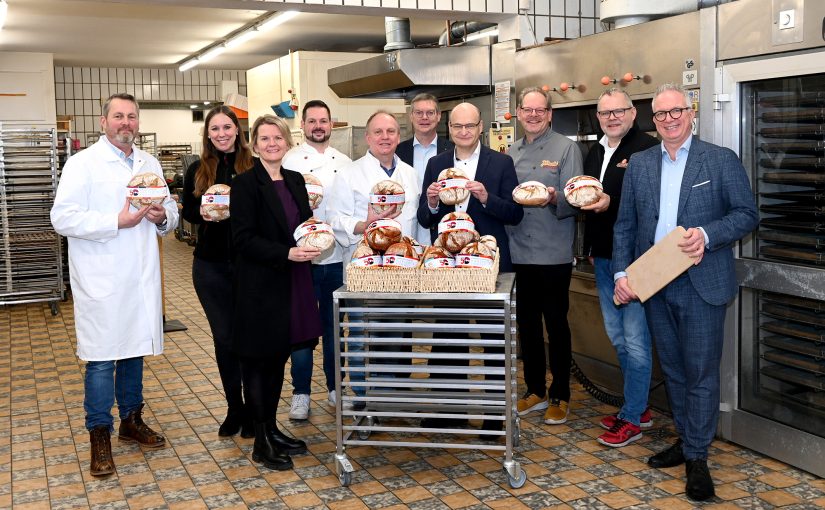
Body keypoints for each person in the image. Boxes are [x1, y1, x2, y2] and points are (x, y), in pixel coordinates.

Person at [613, 83, 758, 501]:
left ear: (691, 112)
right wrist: (624, 273)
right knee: (674, 371)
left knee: (700, 374)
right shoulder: (639, 164)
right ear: (653, 121)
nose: (669, 119)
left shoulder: (719, 159)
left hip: (702, 284)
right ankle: (687, 438)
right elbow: (626, 225)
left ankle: (697, 456)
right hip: (655, 285)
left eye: (676, 111)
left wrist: (709, 234)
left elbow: (747, 213)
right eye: (660, 115)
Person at [51, 93, 178, 477]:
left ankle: (131, 420)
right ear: (103, 122)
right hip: (101, 278)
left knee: (134, 351)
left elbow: (170, 213)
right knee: (103, 359)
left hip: (139, 278)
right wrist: (115, 221)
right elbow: (63, 217)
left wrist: (160, 216)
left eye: (132, 117)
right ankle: (99, 433)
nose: (126, 123)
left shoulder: (149, 162)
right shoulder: (82, 163)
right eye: (118, 116)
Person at [416, 102, 523, 432]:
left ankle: (495, 418)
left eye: (470, 126)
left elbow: (515, 214)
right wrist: (432, 200)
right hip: (447, 264)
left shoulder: (501, 162)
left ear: (480, 128)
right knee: (448, 339)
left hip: (487, 264)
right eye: (457, 126)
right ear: (450, 130)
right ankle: (450, 412)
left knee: (494, 342)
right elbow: (424, 217)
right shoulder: (437, 164)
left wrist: (487, 197)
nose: (464, 132)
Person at [230, 115, 323, 471]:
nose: (272, 144)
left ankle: (271, 427)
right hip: (260, 285)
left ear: (287, 142)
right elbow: (243, 239)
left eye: (278, 138)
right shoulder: (244, 185)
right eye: (265, 139)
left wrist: (315, 239)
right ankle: (261, 439)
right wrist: (285, 252)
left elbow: (303, 226)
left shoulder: (297, 181)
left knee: (279, 357)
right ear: (254, 145)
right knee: (259, 362)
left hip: (293, 280)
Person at [581, 89, 659, 448]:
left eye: (619, 111)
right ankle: (637, 407)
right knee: (618, 337)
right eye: (604, 112)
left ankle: (632, 418)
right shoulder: (597, 150)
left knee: (636, 342)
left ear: (633, 112)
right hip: (604, 257)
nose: (612, 118)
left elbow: (649, 204)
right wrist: (590, 249)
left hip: (636, 261)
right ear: (598, 117)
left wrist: (611, 202)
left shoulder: (647, 149)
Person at [330, 111, 420, 407]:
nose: (385, 137)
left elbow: (416, 224)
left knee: (396, 337)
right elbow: (335, 219)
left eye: (391, 131)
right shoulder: (349, 174)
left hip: (401, 271)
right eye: (378, 132)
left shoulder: (410, 173)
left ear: (399, 136)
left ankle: (390, 397)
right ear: (368, 138)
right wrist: (364, 223)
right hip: (363, 271)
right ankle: (363, 400)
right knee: (361, 337)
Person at [507, 86, 583, 425]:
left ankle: (561, 394)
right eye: (527, 109)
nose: (534, 115)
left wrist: (552, 198)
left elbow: (576, 200)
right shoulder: (510, 153)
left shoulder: (566, 149)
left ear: (549, 113)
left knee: (556, 324)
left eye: (540, 110)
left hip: (554, 254)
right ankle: (535, 390)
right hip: (519, 252)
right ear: (519, 113)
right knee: (527, 325)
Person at [182, 106, 255, 438]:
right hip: (210, 267)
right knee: (224, 339)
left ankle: (255, 410)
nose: (222, 133)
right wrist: (204, 213)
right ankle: (233, 408)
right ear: (207, 134)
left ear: (237, 130)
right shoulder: (198, 169)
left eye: (228, 127)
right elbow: (190, 215)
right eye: (215, 128)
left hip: (249, 266)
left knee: (249, 338)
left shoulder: (253, 166)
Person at [282, 100, 352, 419]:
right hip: (302, 261)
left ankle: (335, 387)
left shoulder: (346, 162)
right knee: (302, 330)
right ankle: (301, 393)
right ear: (303, 125)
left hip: (338, 257)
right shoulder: (289, 161)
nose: (318, 126)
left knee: (335, 327)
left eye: (323, 121)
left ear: (332, 124)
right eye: (312, 121)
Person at [396, 93, 454, 244]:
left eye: (430, 113)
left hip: (442, 230)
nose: (424, 117)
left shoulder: (453, 150)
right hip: (406, 230)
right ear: (411, 116)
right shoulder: (397, 152)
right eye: (419, 113)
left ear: (439, 116)